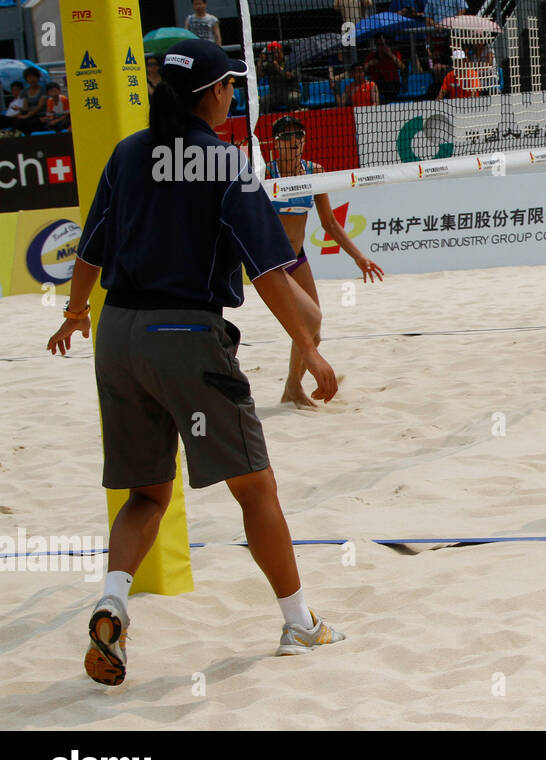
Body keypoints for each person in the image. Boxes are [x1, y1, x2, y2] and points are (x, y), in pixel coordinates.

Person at [46, 40, 344, 686]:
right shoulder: (224, 164)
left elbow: (89, 253)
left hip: (118, 336)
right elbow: (267, 271)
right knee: (254, 488)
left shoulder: (127, 154)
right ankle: (299, 622)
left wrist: (74, 314)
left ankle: (112, 601)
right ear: (212, 95)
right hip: (185, 334)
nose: (233, 94)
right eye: (230, 85)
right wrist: (311, 348)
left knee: (146, 493)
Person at [264, 116, 384, 408]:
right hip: (273, 259)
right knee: (312, 319)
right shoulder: (266, 174)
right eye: (288, 137)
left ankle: (292, 388)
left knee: (315, 333)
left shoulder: (314, 173)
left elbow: (329, 222)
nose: (295, 142)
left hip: (298, 257)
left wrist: (359, 257)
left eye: (299, 136)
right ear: (276, 143)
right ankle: (292, 389)